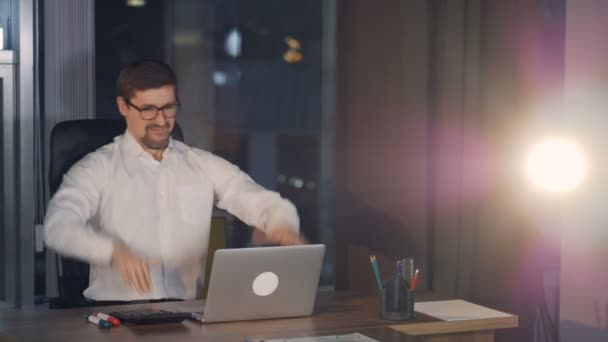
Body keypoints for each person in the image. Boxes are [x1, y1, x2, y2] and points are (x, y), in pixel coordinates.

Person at [44, 60, 304, 302]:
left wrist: (282, 225)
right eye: (148, 109)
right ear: (124, 106)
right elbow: (58, 226)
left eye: (168, 107)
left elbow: (262, 201)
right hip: (116, 317)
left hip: (186, 316)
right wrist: (113, 252)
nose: (161, 120)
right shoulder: (96, 168)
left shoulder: (201, 164)